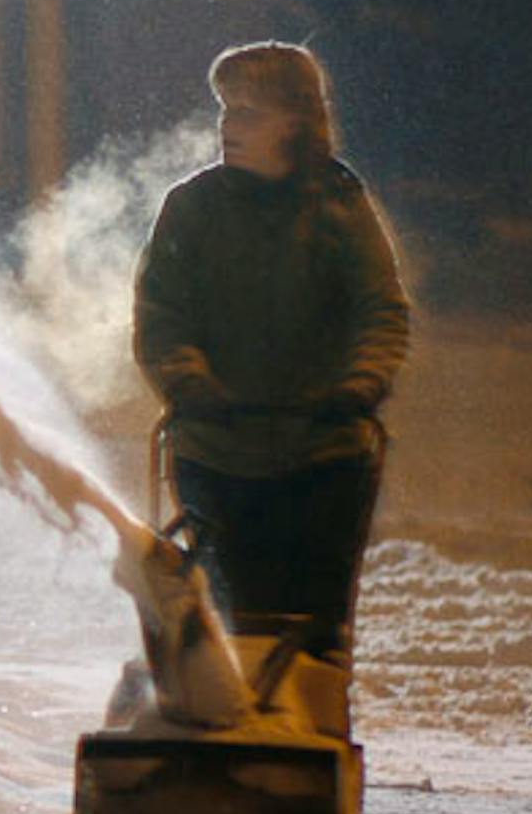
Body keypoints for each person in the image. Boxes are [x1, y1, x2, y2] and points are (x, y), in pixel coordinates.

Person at [133, 42, 410, 698]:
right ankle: (230, 738)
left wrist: (360, 384)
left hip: (323, 459)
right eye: (226, 111)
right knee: (227, 624)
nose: (229, 126)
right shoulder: (192, 209)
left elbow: (382, 311)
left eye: (248, 114)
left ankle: (306, 735)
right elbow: (161, 313)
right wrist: (188, 379)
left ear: (296, 121)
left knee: (310, 630)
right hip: (216, 454)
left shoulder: (339, 206)